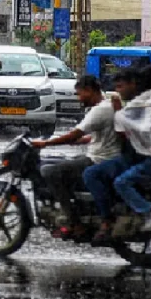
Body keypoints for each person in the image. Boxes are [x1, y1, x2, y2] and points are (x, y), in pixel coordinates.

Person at [84, 66, 151, 242]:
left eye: (122, 85)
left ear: (138, 84)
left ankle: (143, 215)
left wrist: (118, 113)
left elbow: (142, 131)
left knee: (118, 181)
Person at [31, 75, 121, 238]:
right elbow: (103, 134)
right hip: (104, 155)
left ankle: (73, 221)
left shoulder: (100, 110)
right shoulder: (106, 105)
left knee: (49, 171)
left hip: (98, 159)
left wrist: (44, 144)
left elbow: (73, 135)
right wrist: (84, 140)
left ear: (90, 90)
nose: (79, 98)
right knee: (59, 163)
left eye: (80, 94)